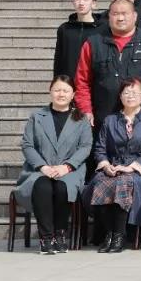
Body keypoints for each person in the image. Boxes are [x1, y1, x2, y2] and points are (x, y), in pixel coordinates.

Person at [14, 76, 92, 254]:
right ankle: (46, 238)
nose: (61, 94)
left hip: (70, 170)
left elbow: (85, 147)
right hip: (40, 169)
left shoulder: (81, 119)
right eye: (57, 90)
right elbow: (27, 145)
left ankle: (60, 234)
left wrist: (67, 166)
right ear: (50, 91)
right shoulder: (37, 116)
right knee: (42, 186)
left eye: (65, 90)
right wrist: (43, 167)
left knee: (62, 187)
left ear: (73, 94)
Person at [85, 78, 141, 253]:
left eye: (134, 93)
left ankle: (119, 235)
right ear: (120, 96)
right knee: (100, 181)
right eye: (126, 92)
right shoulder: (110, 120)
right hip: (113, 167)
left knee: (124, 182)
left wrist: (130, 167)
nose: (130, 96)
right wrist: (106, 166)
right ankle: (109, 233)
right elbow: (100, 148)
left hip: (139, 171)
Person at [74, 0, 141, 128]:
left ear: (135, 16)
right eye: (115, 14)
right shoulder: (93, 43)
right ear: (109, 17)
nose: (120, 18)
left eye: (125, 14)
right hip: (102, 118)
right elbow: (82, 80)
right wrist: (86, 109)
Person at [54, 0, 103, 79]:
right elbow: (58, 59)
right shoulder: (64, 29)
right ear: (73, 2)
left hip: (94, 81)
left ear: (93, 3)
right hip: (69, 81)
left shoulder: (102, 29)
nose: (81, 3)